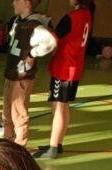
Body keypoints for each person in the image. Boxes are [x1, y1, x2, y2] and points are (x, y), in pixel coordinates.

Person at [32, 0, 93, 159]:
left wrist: (41, 27)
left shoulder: (71, 17)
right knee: (63, 107)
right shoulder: (87, 14)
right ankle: (57, 143)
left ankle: (53, 148)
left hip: (64, 68)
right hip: (75, 66)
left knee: (58, 107)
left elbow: (51, 39)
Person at [0, 0, 54, 147]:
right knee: (7, 112)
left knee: (19, 113)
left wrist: (31, 55)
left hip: (21, 75)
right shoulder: (18, 21)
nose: (13, 3)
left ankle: (19, 146)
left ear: (26, 3)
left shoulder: (34, 24)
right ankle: (7, 142)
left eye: (17, 0)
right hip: (11, 72)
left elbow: (50, 42)